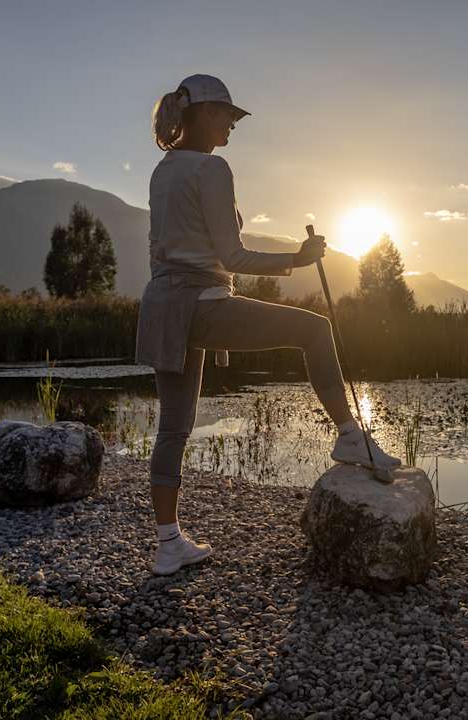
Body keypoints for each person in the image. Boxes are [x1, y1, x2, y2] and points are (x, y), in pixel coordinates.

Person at [137, 74, 401, 576]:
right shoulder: (213, 168)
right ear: (204, 114)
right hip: (202, 302)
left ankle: (168, 543)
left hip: (162, 307)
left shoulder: (162, 169)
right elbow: (230, 255)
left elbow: (168, 249)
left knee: (172, 428)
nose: (233, 125)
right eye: (228, 116)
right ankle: (348, 434)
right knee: (315, 330)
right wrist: (297, 259)